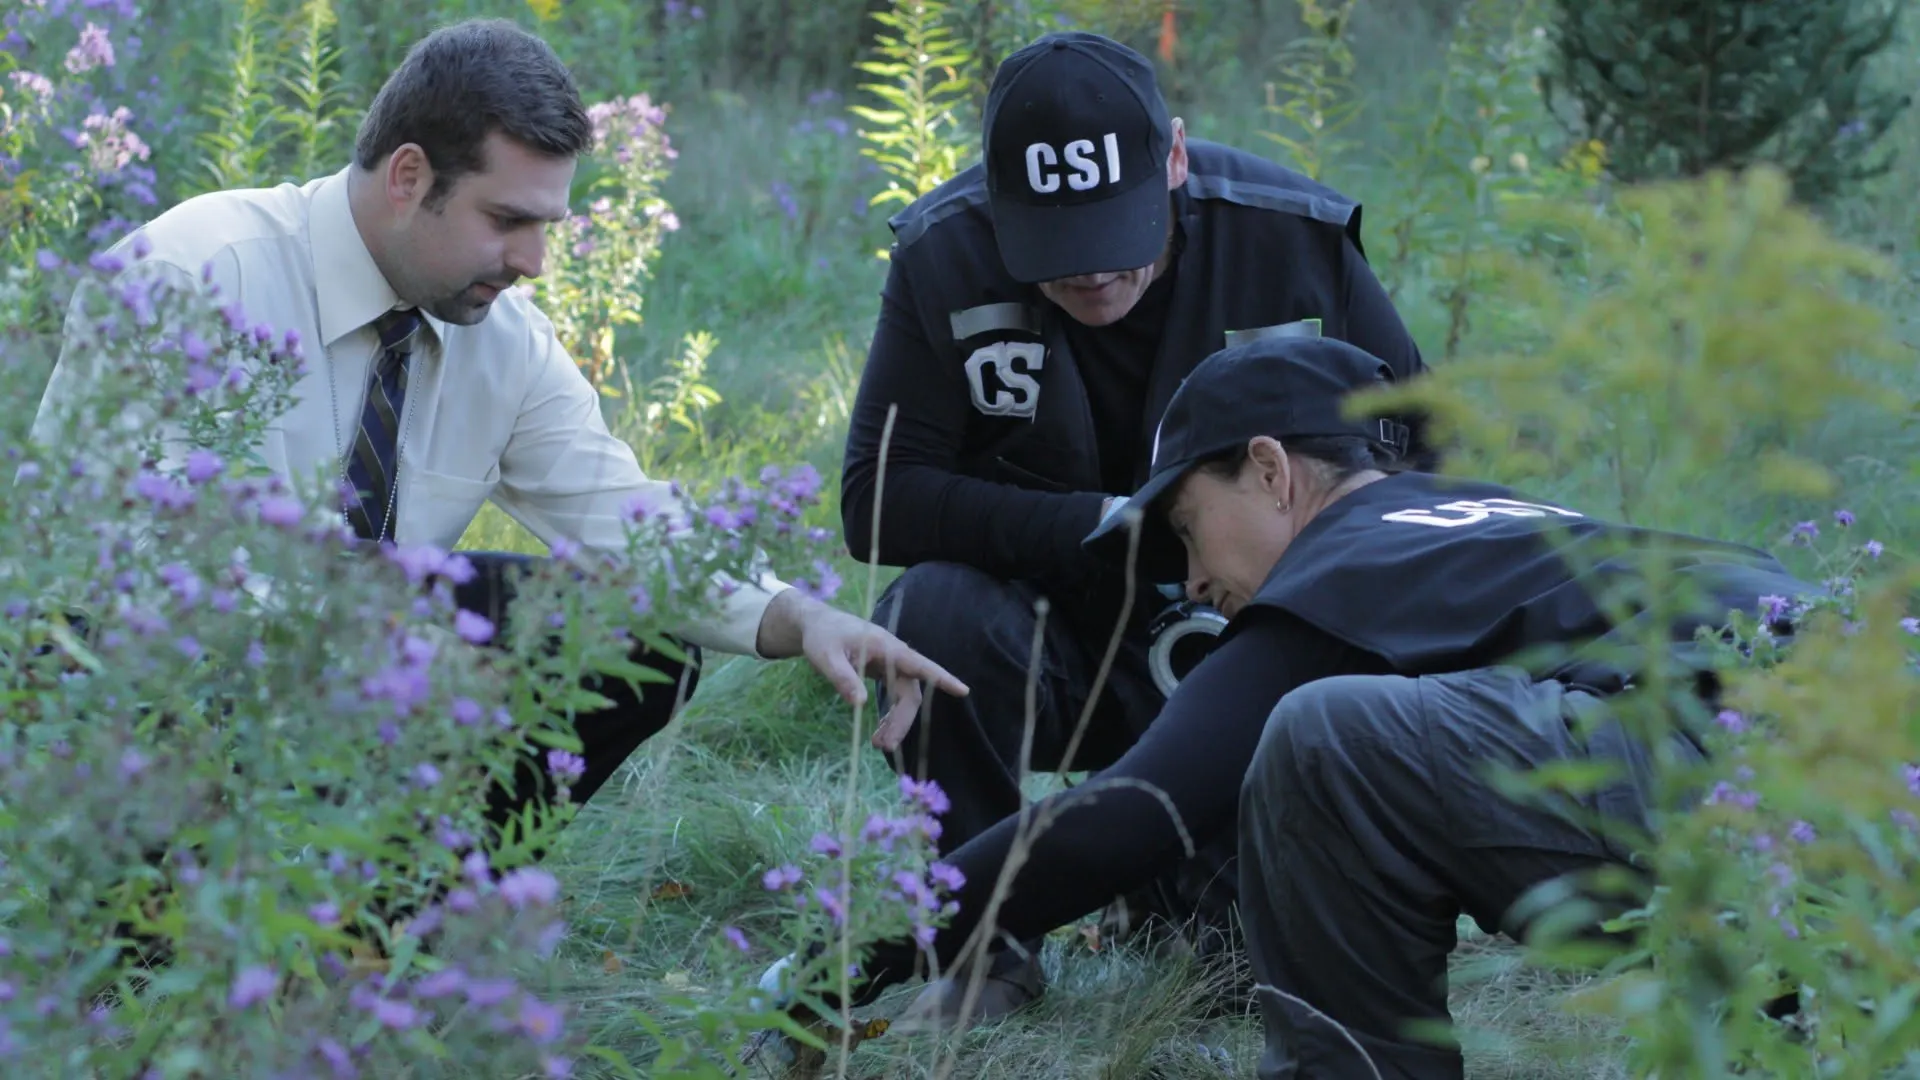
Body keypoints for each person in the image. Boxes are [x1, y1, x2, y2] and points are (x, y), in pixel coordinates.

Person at [28, 19, 965, 871]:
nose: (533, 262)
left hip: (343, 687)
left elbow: (621, 516)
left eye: (546, 227)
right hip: (133, 693)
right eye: (508, 221)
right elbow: (133, 562)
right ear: (408, 178)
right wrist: (390, 638)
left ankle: (391, 926)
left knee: (631, 638)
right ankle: (171, 926)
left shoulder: (503, 338)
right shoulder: (196, 270)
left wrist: (802, 616)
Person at [801, 333, 1815, 1078]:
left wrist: (844, 960)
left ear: (1272, 469)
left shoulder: (1348, 556)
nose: (1191, 582)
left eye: (1190, 529)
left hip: (1714, 747)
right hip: (1857, 738)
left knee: (1322, 737)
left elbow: (1133, 813)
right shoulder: (1479, 519)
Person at [839, 28, 1437, 1022]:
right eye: (1057, 250)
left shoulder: (1290, 239)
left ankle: (1200, 890)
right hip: (1058, 633)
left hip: (1251, 649)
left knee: (1233, 980)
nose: (1095, 278)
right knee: (928, 614)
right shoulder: (945, 253)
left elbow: (1423, 468)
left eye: (1120, 237)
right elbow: (876, 500)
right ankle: (986, 950)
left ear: (1174, 158)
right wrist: (1105, 522)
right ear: (996, 197)